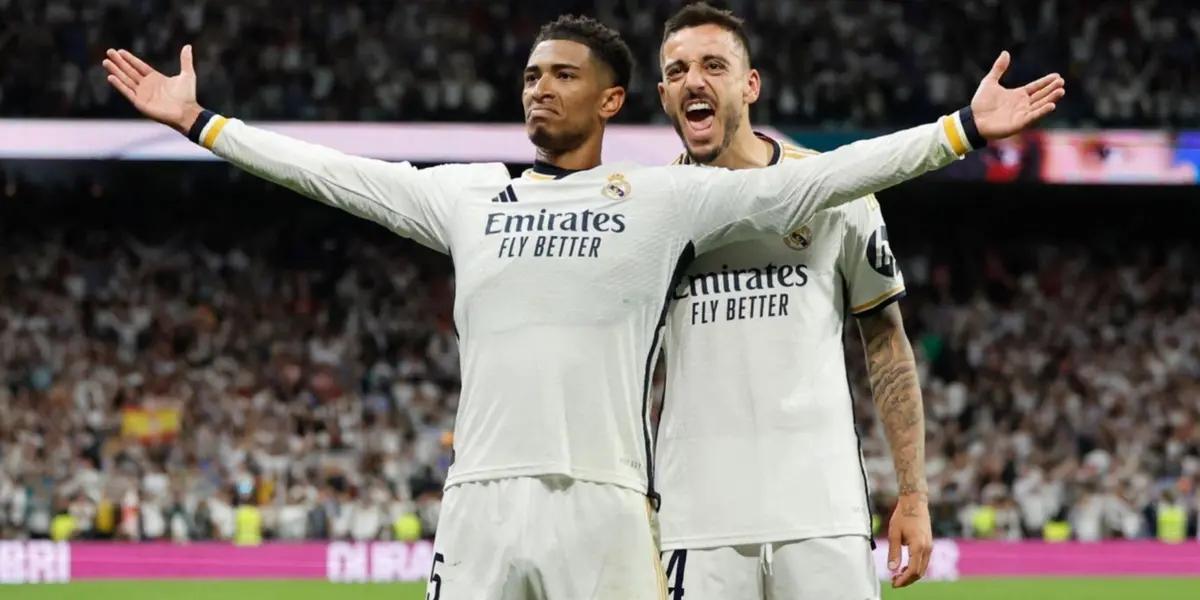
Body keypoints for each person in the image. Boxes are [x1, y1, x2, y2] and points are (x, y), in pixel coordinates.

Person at [101, 13, 1062, 598]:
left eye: (562, 75)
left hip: (609, 508)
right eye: (529, 76)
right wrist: (200, 123)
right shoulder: (465, 196)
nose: (538, 90)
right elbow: (335, 175)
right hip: (479, 502)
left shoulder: (662, 200)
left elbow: (823, 181)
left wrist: (963, 129)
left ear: (611, 102)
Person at [652, 4, 933, 597]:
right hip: (696, 521)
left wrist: (912, 491)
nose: (693, 81)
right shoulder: (650, 212)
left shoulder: (838, 192)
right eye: (677, 71)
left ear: (750, 84)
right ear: (662, 94)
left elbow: (885, 343)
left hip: (822, 514)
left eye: (712, 65)